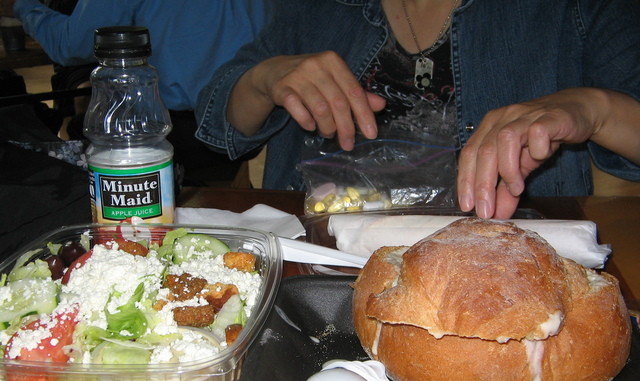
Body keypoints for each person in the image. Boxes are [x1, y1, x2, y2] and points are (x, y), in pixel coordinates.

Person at [194, 0, 640, 219]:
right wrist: (264, 79)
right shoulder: (318, 9)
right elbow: (220, 124)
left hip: (503, 265)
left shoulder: (577, 9)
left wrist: (594, 107)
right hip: (317, 261)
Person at [12, 0, 269, 185]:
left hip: (181, 131)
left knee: (79, 126)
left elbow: (69, 46)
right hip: (252, 126)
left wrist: (22, 6)